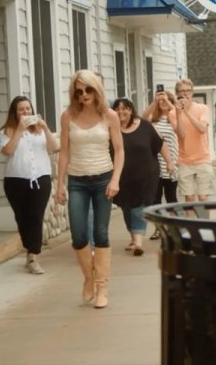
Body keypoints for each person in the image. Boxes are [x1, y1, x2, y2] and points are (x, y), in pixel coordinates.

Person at [55, 69, 124, 309]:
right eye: (79, 91)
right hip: (77, 181)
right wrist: (59, 185)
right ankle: (89, 277)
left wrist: (115, 179)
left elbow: (120, 150)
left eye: (88, 90)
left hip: (103, 178)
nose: (83, 95)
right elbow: (64, 151)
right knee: (79, 234)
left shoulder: (110, 116)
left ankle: (102, 288)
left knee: (102, 233)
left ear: (97, 90)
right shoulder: (68, 116)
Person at [0, 96, 58, 274]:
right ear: (15, 113)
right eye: (21, 109)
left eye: (28, 109)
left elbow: (54, 147)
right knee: (22, 217)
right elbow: (7, 151)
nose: (25, 112)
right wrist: (19, 130)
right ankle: (29, 248)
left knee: (35, 216)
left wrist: (46, 128)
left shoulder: (39, 130)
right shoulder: (7, 130)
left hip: (40, 178)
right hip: (15, 179)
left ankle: (33, 256)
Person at [110, 98, 163, 256]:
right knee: (127, 207)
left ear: (131, 110)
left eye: (125, 108)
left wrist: (170, 163)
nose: (121, 112)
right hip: (122, 177)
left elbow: (159, 145)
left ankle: (138, 242)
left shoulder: (144, 126)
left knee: (139, 206)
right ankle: (134, 239)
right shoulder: (111, 129)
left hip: (146, 175)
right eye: (117, 109)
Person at [142, 90, 179, 240]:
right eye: (161, 100)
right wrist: (154, 101)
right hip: (155, 163)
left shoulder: (175, 117)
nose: (163, 102)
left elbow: (179, 119)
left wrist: (170, 104)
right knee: (155, 199)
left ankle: (173, 227)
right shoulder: (153, 118)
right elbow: (143, 118)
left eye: (166, 99)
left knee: (171, 197)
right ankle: (159, 229)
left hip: (171, 162)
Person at [173, 79, 213, 202]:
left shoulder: (202, 108)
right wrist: (180, 113)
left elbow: (202, 129)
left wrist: (187, 112)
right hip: (185, 160)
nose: (185, 94)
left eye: (188, 91)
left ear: (192, 92)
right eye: (182, 91)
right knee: (189, 197)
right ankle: (190, 221)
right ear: (177, 93)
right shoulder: (172, 113)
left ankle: (204, 222)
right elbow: (182, 135)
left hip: (202, 158)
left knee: (203, 197)